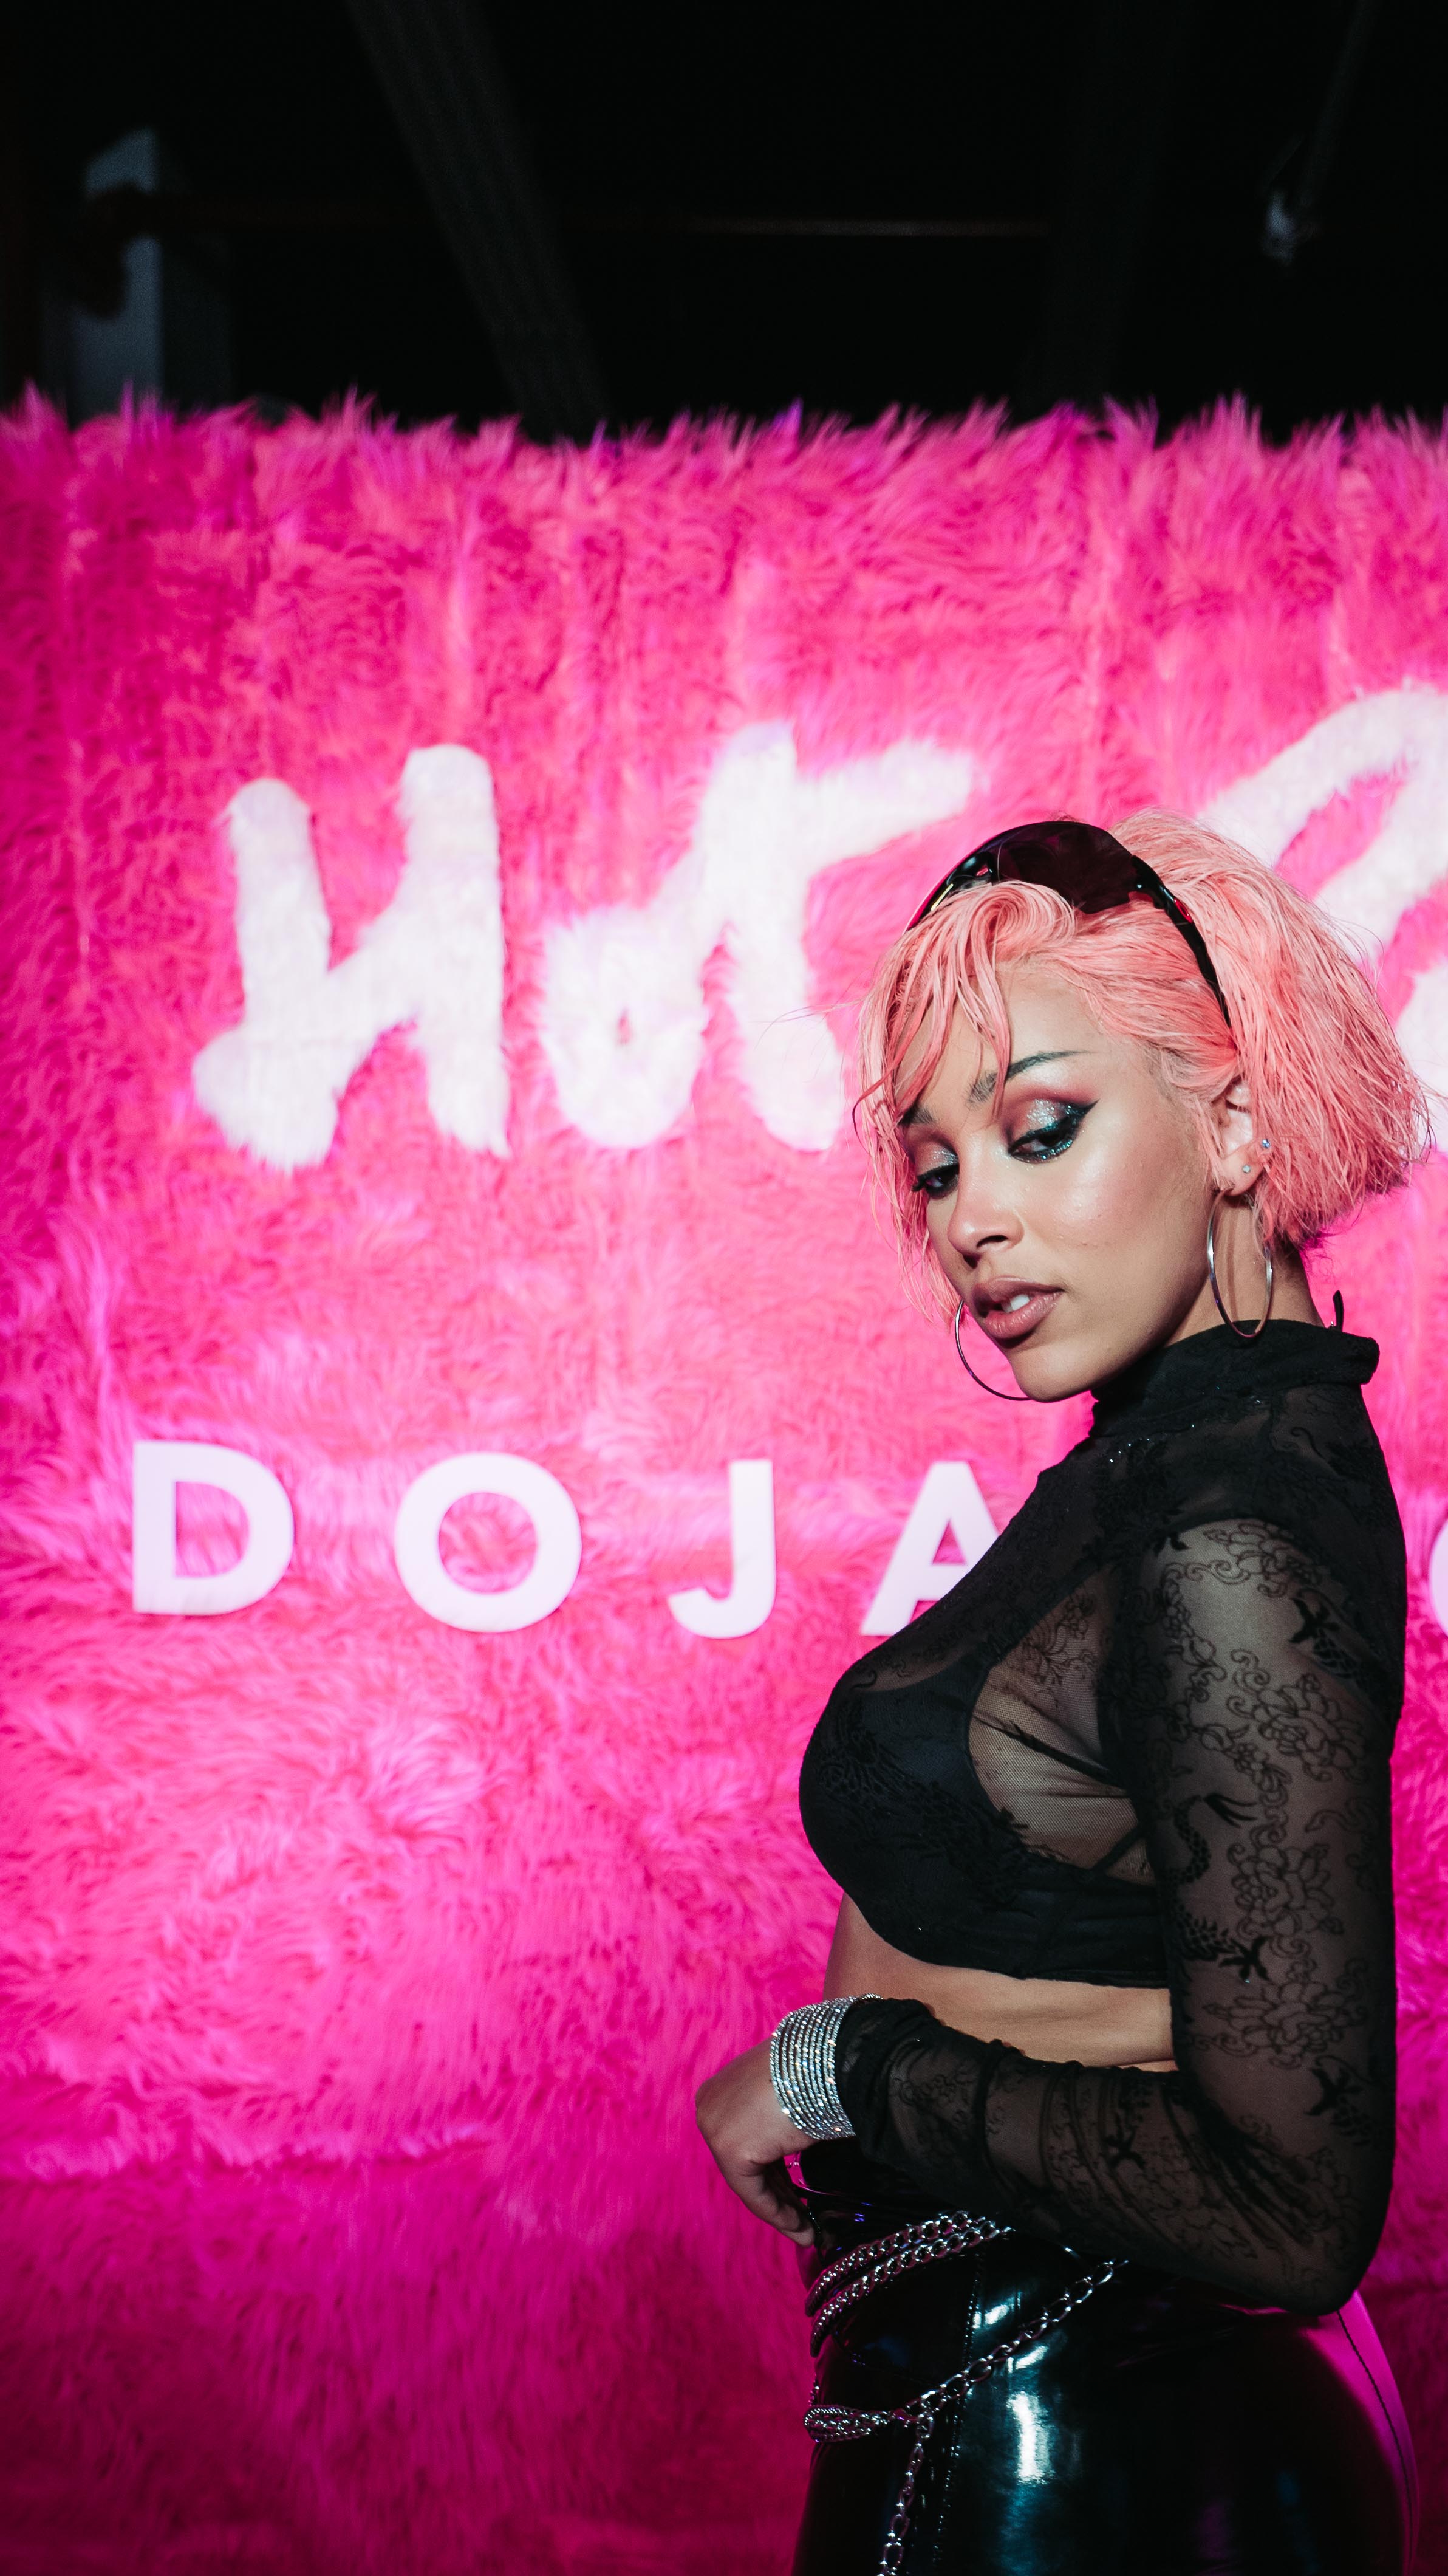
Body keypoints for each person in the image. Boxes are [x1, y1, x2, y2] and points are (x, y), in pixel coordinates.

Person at [695, 814, 1425, 2576]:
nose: (975, 1222)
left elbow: (1292, 2206)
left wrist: (846, 2066)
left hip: (1088, 2426)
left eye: (1042, 1132)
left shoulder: (1230, 1523)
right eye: (938, 1168)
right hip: (1043, 2394)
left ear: (1236, 1120)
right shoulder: (1178, 1448)